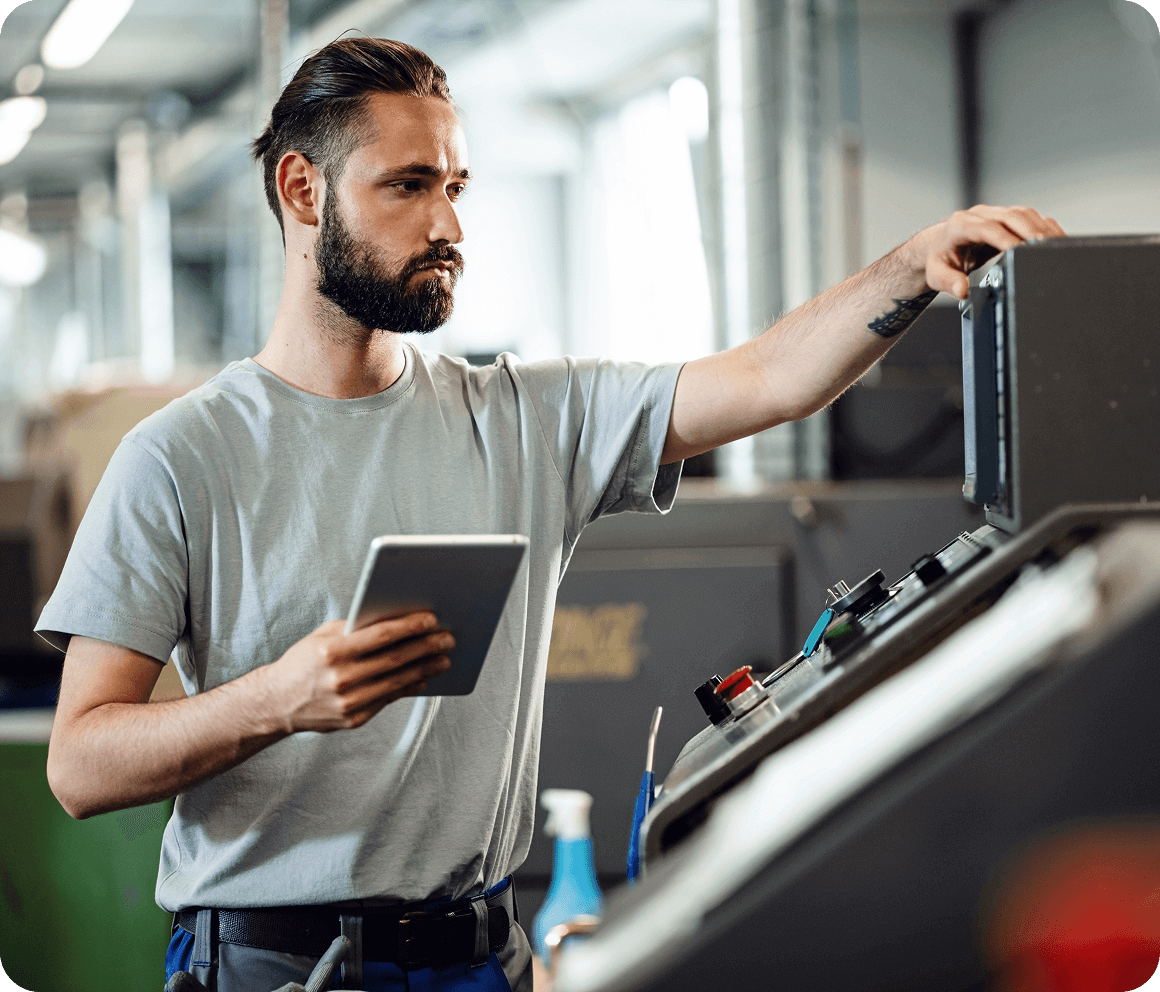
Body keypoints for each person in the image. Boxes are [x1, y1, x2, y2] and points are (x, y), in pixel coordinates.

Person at [37, 36, 1064, 992]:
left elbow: (767, 379)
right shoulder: (179, 455)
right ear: (301, 190)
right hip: (274, 965)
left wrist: (915, 262)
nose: (447, 224)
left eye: (454, 185)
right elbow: (80, 762)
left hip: (481, 955)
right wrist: (280, 698)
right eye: (405, 185)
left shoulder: (530, 415)